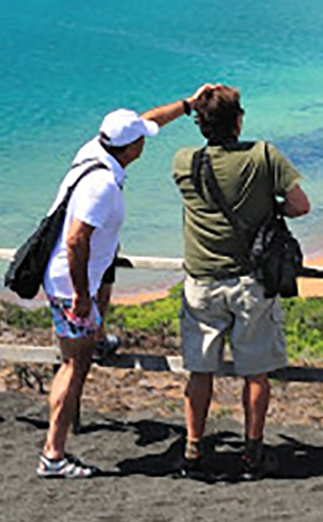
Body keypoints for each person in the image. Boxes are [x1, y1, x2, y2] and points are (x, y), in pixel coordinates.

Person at [34, 90, 202, 479]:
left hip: (74, 276)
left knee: (78, 355)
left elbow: (150, 120)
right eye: (141, 137)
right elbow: (77, 240)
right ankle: (53, 455)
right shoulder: (103, 185)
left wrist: (188, 105)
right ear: (132, 147)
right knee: (73, 366)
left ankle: (99, 336)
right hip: (70, 284)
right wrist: (80, 296)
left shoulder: (96, 147)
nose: (146, 137)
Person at [170, 84, 310, 479]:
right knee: (255, 372)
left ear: (200, 124)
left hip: (201, 280)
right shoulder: (264, 155)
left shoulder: (183, 162)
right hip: (250, 280)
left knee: (200, 372)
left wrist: (186, 105)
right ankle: (252, 453)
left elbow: (144, 126)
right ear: (239, 120)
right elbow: (300, 205)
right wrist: (269, 207)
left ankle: (194, 450)